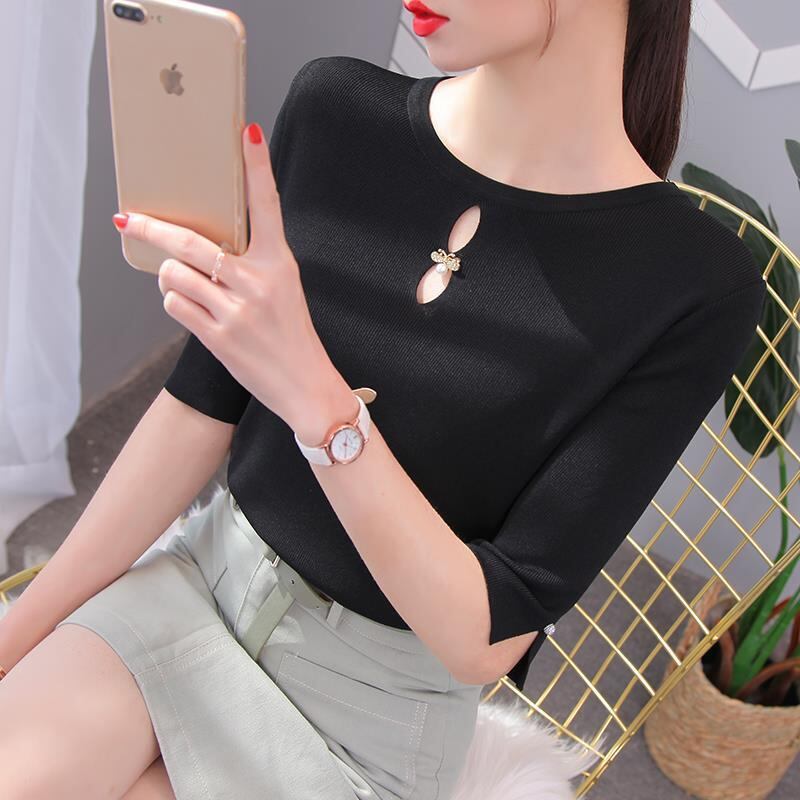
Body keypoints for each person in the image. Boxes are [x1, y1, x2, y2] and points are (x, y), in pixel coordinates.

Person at [0, 1, 766, 799]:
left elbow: (484, 638)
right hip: (193, 593)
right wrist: (15, 639)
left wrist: (311, 388)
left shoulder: (694, 284)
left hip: (366, 723)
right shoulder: (335, 112)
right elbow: (196, 409)